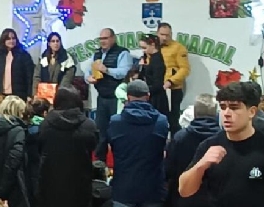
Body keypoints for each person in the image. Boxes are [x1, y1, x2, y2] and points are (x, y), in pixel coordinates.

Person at [85, 28, 131, 162]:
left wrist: (107, 70)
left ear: (113, 38)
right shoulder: (97, 54)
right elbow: (88, 70)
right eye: (101, 39)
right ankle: (100, 164)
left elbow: (125, 72)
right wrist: (88, 78)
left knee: (118, 132)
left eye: (105, 38)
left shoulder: (123, 53)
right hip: (102, 98)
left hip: (117, 99)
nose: (102, 41)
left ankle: (120, 162)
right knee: (100, 132)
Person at [157, 22, 190, 135]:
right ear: (157, 33)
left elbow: (185, 69)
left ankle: (174, 142)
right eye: (162, 34)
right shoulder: (153, 47)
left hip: (172, 89)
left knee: (173, 120)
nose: (165, 37)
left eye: (168, 35)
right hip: (157, 89)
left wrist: (171, 81)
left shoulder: (179, 48)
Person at [0, 28, 34, 101]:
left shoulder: (24, 55)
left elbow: (30, 77)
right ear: (3, 40)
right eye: (8, 39)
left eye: (13, 38)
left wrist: (29, 95)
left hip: (18, 96)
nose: (11, 41)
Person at [32, 32, 75, 97]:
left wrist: (58, 93)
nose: (56, 43)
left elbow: (67, 79)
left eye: (57, 41)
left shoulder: (67, 59)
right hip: (43, 94)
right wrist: (35, 94)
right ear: (49, 43)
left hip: (60, 95)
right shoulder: (43, 58)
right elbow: (37, 77)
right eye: (53, 41)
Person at [138, 34, 169, 115]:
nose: (143, 51)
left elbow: (158, 84)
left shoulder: (157, 60)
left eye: (144, 48)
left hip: (156, 99)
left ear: (152, 45)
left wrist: (144, 92)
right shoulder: (150, 58)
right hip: (151, 95)